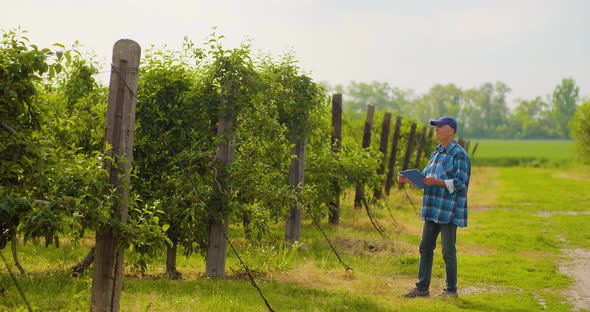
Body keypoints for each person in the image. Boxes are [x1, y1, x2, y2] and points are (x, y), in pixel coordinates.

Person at [397, 116, 471, 298]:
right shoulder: (436, 153)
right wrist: (407, 179)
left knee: (447, 251)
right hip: (432, 208)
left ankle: (451, 290)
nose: (436, 129)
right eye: (435, 126)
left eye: (440, 126)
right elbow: (425, 180)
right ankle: (422, 288)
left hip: (448, 209)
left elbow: (461, 183)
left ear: (451, 130)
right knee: (425, 247)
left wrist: (436, 182)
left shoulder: (459, 154)